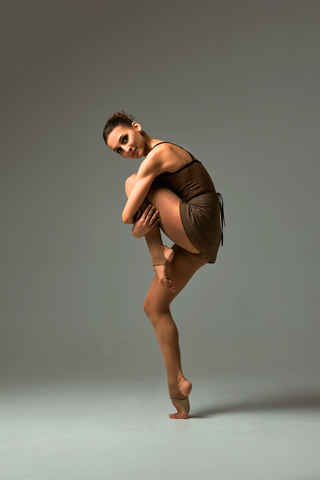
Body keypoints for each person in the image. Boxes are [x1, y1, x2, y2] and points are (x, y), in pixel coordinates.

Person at [103, 111, 225, 419]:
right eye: (118, 150)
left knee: (133, 184)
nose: (126, 150)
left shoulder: (160, 153)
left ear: (136, 127)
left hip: (198, 220)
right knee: (154, 306)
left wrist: (136, 232)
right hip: (199, 243)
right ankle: (177, 388)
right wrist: (138, 229)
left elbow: (127, 215)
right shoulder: (151, 162)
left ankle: (160, 259)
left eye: (125, 139)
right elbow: (140, 218)